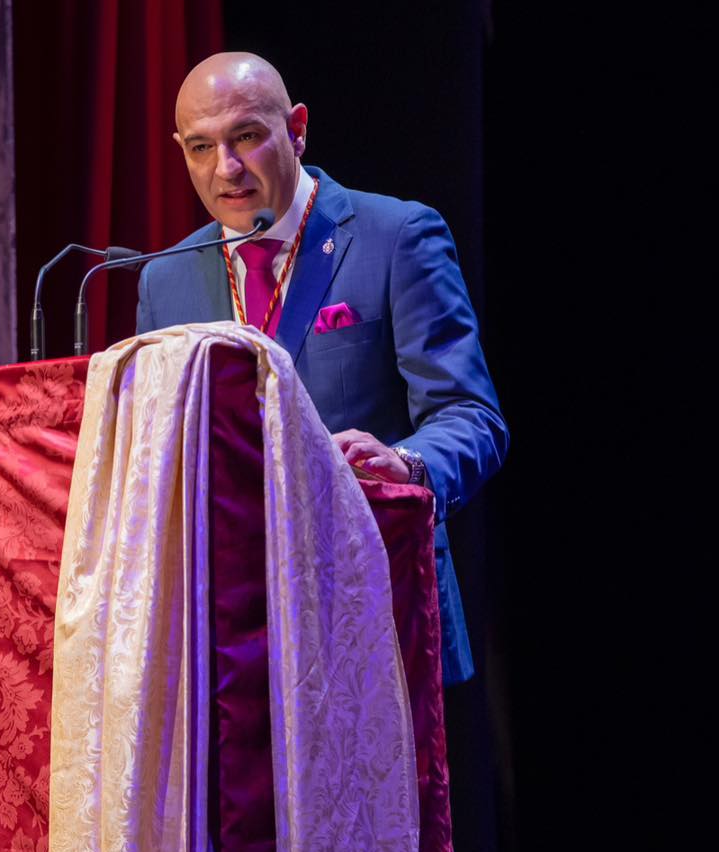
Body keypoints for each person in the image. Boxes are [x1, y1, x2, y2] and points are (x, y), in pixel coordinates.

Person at [137, 52, 507, 686]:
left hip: (379, 611)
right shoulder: (163, 280)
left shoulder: (397, 237)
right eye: (201, 147)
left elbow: (472, 417)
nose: (226, 168)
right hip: (231, 644)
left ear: (297, 129)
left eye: (246, 137)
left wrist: (408, 465)